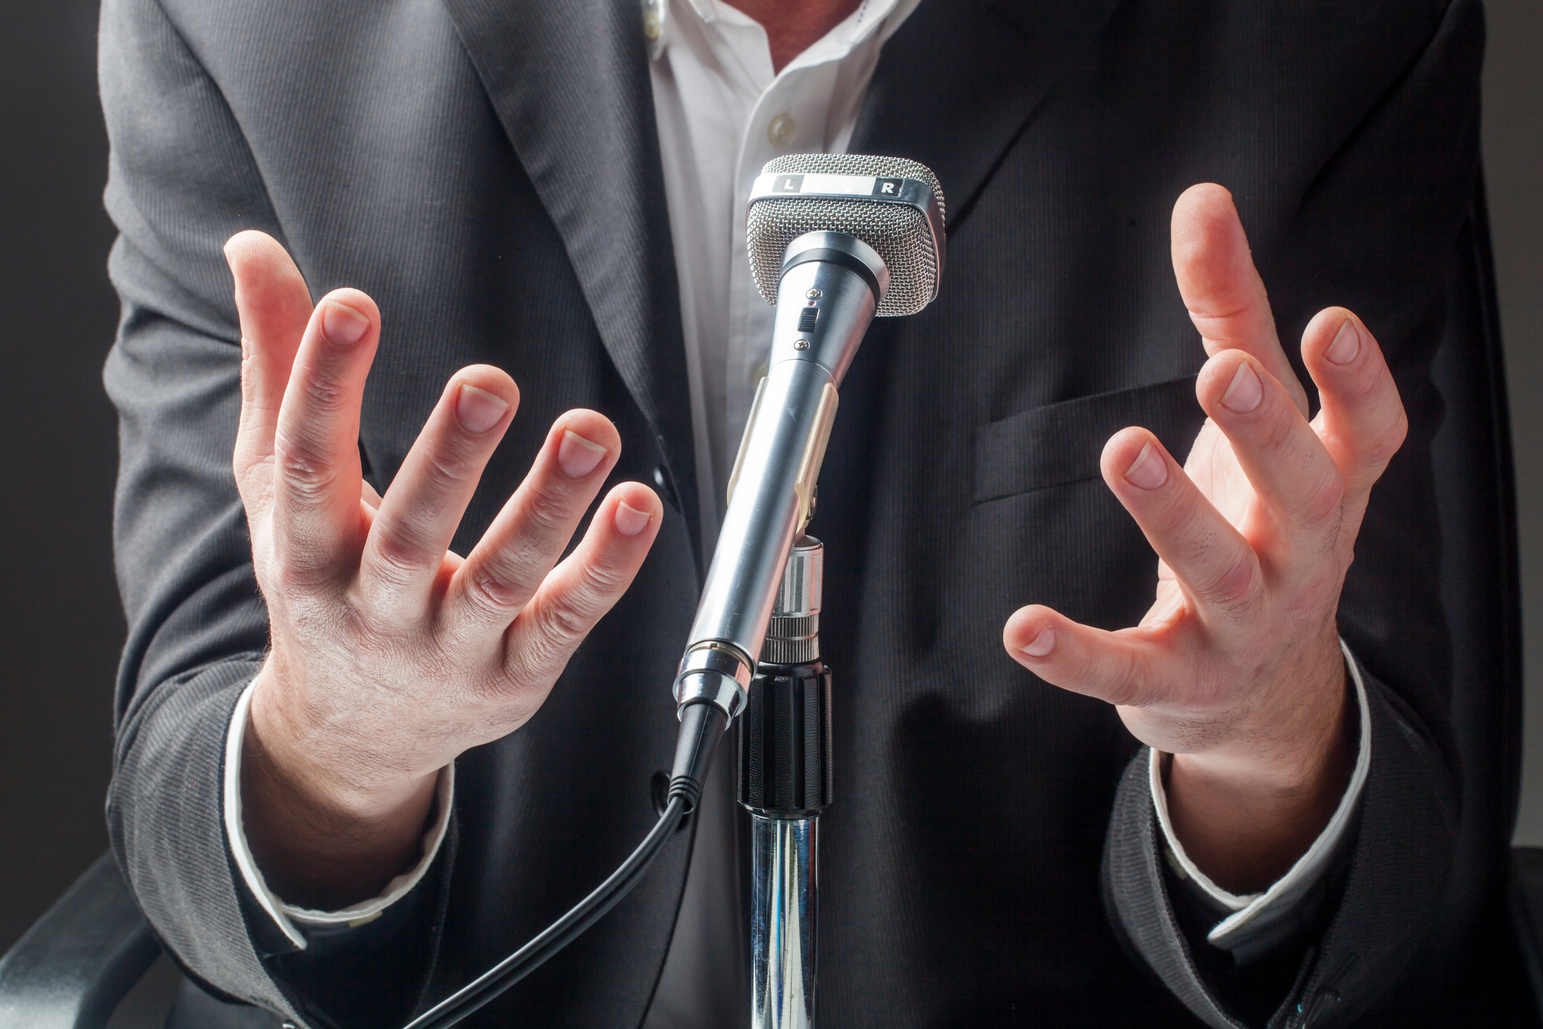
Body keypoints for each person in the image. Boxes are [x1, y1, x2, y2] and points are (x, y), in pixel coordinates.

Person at [97, 0, 1495, 1025]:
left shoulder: (1331, 35)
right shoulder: (241, 27)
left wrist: (1262, 742)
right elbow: (180, 771)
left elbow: (1394, 879)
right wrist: (336, 752)